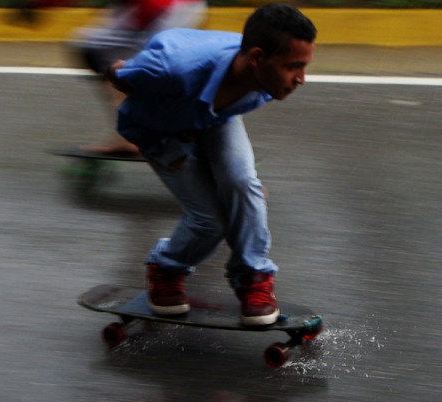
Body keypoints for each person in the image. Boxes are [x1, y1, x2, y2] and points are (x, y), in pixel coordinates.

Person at [106, 3, 317, 326]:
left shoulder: (263, 79)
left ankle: (254, 278)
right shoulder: (171, 69)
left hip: (218, 116)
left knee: (243, 183)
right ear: (258, 58)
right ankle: (166, 269)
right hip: (161, 133)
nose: (301, 79)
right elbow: (119, 74)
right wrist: (127, 80)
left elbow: (237, 179)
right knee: (210, 222)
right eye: (294, 67)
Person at [72, 0, 207, 156]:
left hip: (161, 9)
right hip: (168, 7)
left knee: (97, 51)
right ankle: (147, 128)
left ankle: (134, 134)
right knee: (98, 50)